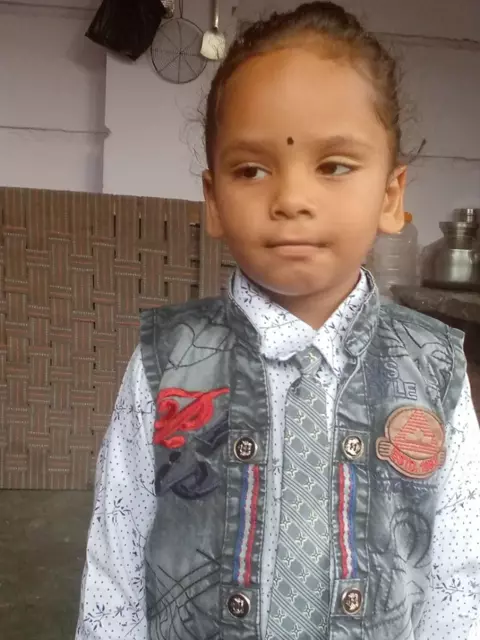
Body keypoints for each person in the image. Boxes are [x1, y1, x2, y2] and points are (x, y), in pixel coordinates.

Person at [76, 3, 480, 639]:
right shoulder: (167, 361)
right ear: (214, 200)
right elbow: (116, 555)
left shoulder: (435, 372)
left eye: (334, 165)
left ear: (391, 195)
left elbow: (459, 579)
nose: (291, 198)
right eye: (252, 169)